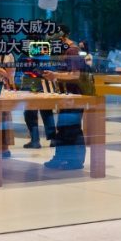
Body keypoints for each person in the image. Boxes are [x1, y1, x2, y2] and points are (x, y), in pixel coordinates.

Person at [41, 26, 88, 170]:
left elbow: (75, 75)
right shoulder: (64, 51)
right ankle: (65, 158)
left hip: (75, 96)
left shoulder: (72, 50)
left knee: (71, 127)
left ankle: (73, 160)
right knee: (65, 127)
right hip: (67, 96)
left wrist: (55, 75)